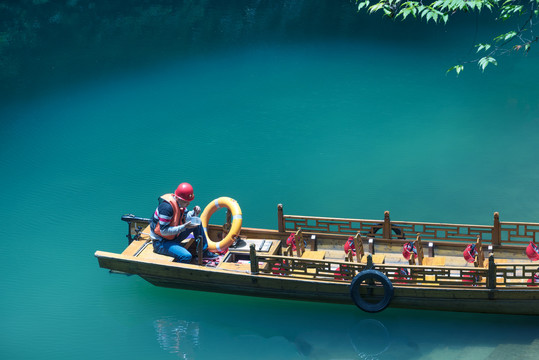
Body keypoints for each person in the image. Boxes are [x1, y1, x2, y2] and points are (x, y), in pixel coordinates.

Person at [150, 182, 218, 263]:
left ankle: (203, 252)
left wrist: (194, 212)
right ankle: (177, 272)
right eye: (186, 201)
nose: (188, 203)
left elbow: (185, 216)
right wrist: (184, 227)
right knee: (186, 256)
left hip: (174, 236)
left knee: (197, 223)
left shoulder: (180, 204)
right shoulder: (166, 209)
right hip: (161, 242)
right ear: (178, 198)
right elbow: (164, 231)